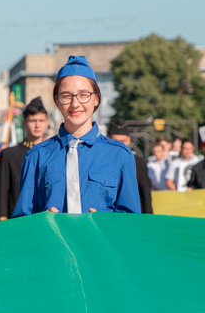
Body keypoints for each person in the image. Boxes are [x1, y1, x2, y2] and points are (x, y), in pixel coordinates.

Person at [13, 56, 140, 216]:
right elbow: (23, 220)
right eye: (66, 96)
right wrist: (43, 220)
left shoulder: (120, 155)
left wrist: (106, 222)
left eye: (83, 95)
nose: (75, 104)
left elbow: (131, 220)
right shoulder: (36, 156)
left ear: (96, 99)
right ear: (57, 101)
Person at [0, 97, 49, 221]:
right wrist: (2, 218)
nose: (37, 125)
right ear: (24, 123)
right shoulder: (9, 154)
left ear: (47, 123)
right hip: (18, 219)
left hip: (46, 217)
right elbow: (2, 191)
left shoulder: (53, 153)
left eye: (41, 120)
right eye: (33, 120)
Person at [106, 119, 154, 214]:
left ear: (129, 140)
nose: (119, 145)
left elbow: (145, 194)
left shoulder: (139, 163)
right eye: (115, 141)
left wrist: (148, 219)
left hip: (132, 215)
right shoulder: (103, 162)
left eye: (122, 141)